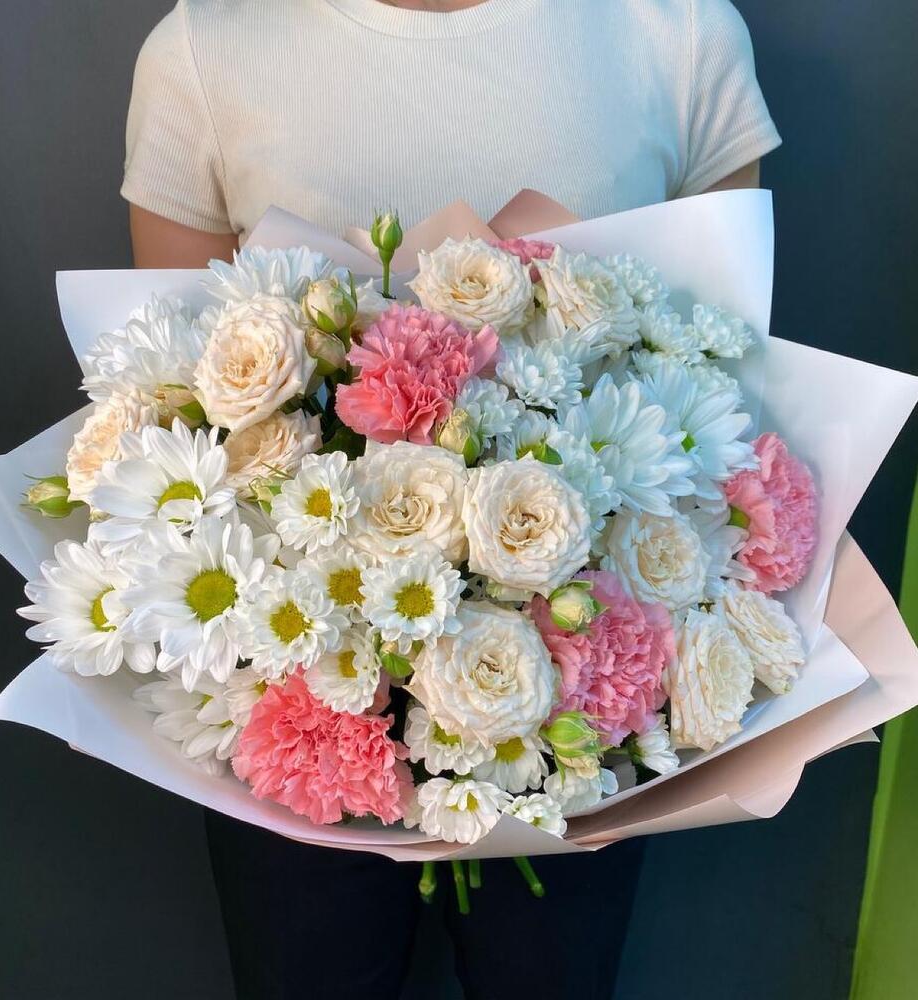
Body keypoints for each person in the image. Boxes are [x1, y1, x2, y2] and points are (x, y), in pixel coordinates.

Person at [121, 2, 780, 997]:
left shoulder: (678, 33)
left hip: (584, 722)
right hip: (295, 720)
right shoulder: (205, 51)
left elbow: (717, 388)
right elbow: (174, 413)